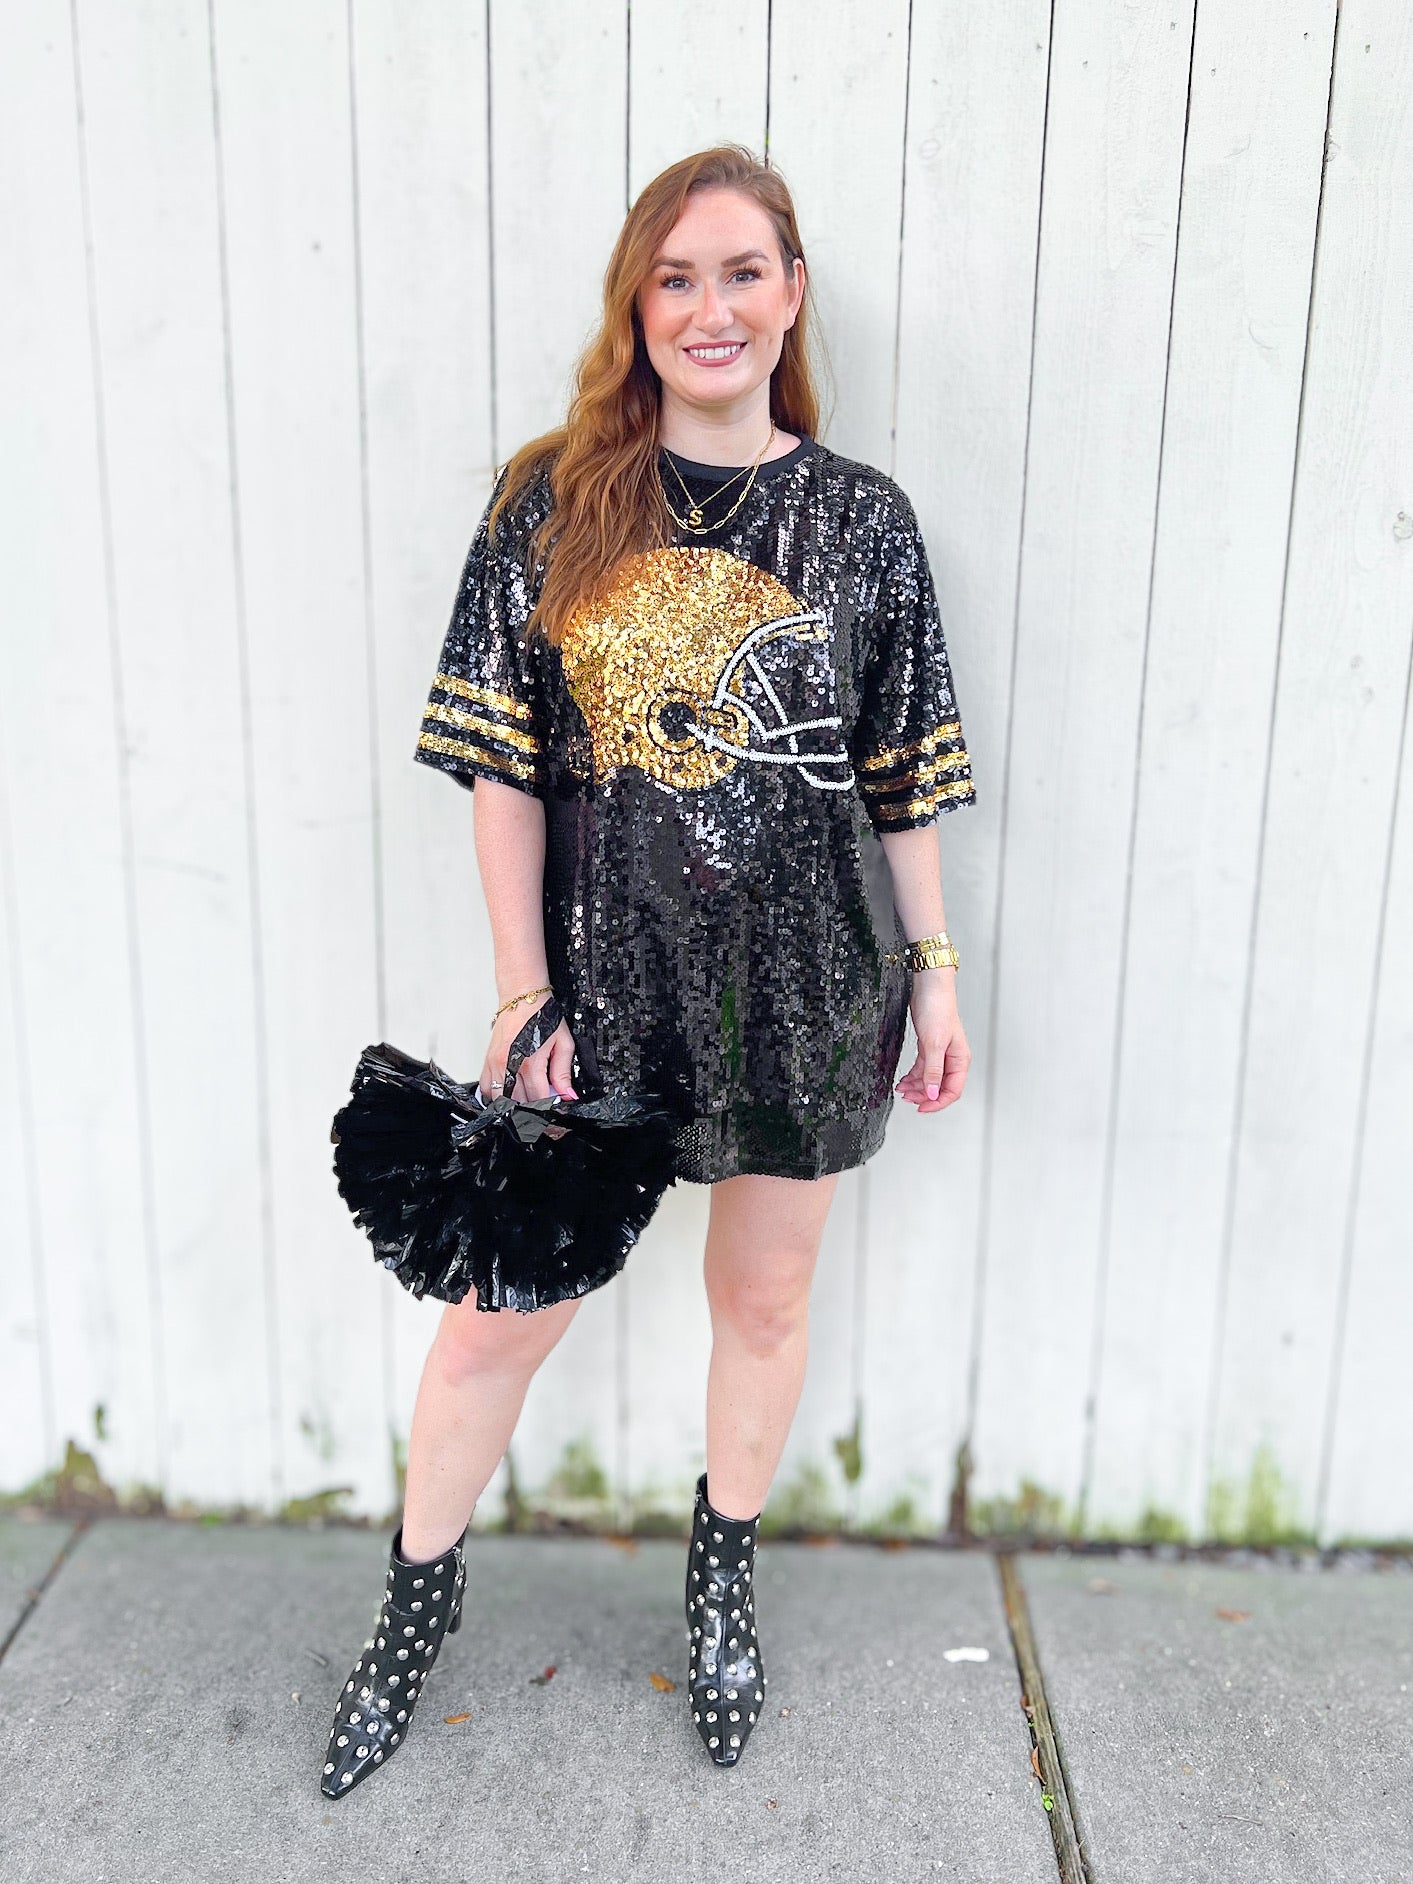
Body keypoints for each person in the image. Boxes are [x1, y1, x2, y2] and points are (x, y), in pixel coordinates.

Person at [320, 143, 977, 1799]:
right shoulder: (551, 501)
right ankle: (411, 1608)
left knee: (761, 1301)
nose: (709, 307)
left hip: (810, 991)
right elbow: (502, 773)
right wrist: (517, 989)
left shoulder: (863, 522)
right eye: (675, 277)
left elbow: (898, 777)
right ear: (637, 303)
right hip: (601, 1000)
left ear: (791, 293)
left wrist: (935, 973)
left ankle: (721, 1580)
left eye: (741, 271)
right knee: (493, 1324)